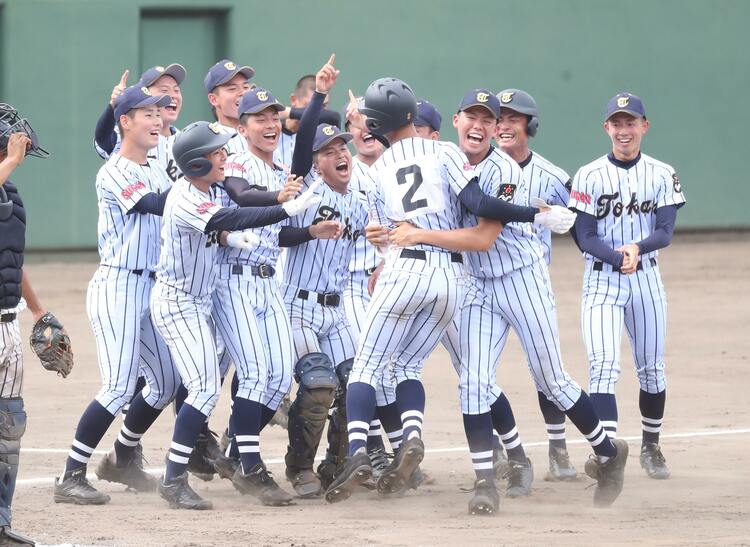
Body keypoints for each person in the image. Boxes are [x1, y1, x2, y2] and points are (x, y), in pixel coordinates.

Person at [324, 78, 576, 506]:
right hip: (452, 281)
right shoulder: (445, 155)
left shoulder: (379, 169)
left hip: (411, 275)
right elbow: (479, 204)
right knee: (435, 370)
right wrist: (535, 213)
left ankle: (363, 453)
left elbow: (429, 218)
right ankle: (426, 441)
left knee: (373, 368)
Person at [382, 89, 630, 513]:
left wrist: (419, 235)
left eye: (489, 119)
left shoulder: (501, 170)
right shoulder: (442, 161)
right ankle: (485, 484)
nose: (480, 125)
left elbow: (483, 236)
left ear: (495, 130)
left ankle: (608, 452)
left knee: (552, 379)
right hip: (476, 287)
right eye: (472, 117)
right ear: (457, 121)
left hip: (522, 279)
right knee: (473, 382)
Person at [151, 120, 322, 509]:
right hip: (179, 303)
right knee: (207, 387)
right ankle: (179, 477)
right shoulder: (187, 197)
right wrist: (284, 208)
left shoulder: (204, 189)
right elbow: (227, 218)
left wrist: (230, 239)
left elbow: (220, 226)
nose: (223, 156)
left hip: (202, 298)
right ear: (196, 163)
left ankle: (227, 463)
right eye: (215, 153)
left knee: (268, 378)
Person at [54, 86, 180, 505]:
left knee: (165, 383)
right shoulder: (114, 170)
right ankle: (71, 475)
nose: (157, 120)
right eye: (146, 114)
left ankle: (124, 455)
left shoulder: (157, 167)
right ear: (124, 121)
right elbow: (155, 205)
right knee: (118, 386)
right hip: (119, 285)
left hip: (154, 285)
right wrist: (203, 193)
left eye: (158, 113)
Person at [569, 92, 685, 480]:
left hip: (647, 278)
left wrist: (637, 248)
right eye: (616, 123)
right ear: (607, 128)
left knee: (651, 369)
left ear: (644, 126)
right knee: (603, 366)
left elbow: (665, 232)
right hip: (602, 281)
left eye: (630, 122)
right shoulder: (588, 175)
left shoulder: (662, 172)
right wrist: (619, 257)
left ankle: (651, 447)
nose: (624, 130)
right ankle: (608, 457)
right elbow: (584, 237)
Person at [494, 88, 578, 481]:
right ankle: (498, 450)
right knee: (476, 372)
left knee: (545, 371)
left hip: (531, 281)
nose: (504, 125)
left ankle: (558, 448)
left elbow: (580, 222)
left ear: (530, 125)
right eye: (499, 118)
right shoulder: (475, 166)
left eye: (513, 118)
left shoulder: (554, 176)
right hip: (482, 281)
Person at [0, 103, 56, 546]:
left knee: (9, 422)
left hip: (6, 324)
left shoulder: (10, 193)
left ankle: (0, 523)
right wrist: (10, 161)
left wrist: (37, 309)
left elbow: (11, 262)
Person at [93, 64, 186, 182]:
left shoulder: (186, 142)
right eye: (164, 90)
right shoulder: (130, 132)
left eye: (176, 90)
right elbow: (103, 140)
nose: (173, 96)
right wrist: (113, 105)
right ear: (145, 94)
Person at [204, 59, 255, 156]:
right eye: (232, 89)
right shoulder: (209, 140)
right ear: (213, 99)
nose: (243, 93)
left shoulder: (263, 132)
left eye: (245, 87)